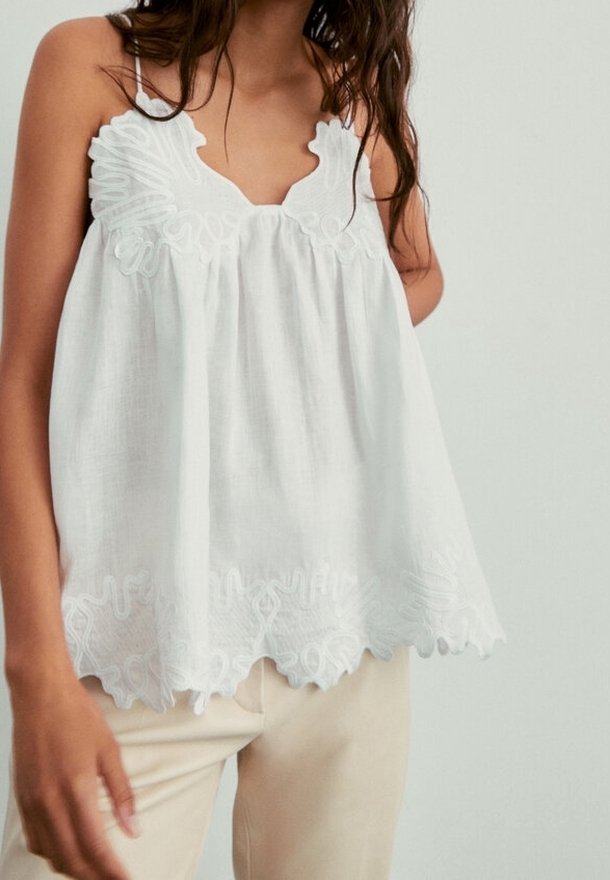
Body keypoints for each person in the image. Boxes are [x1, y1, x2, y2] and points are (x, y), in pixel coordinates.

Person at [0, 2, 507, 878]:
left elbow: (416, 274)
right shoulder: (89, 64)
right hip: (144, 640)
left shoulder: (352, 96)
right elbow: (22, 383)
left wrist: (291, 343)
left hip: (340, 633)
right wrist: (35, 673)